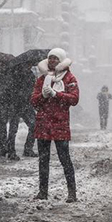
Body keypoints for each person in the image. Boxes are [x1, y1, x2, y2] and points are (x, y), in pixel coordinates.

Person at [32, 48, 80, 203]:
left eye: (55, 59)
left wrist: (56, 94)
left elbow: (74, 99)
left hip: (60, 124)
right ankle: (43, 192)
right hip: (43, 124)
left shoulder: (69, 78)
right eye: (50, 58)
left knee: (65, 159)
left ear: (61, 61)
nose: (52, 61)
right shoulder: (42, 79)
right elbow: (33, 101)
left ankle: (72, 193)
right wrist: (43, 96)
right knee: (43, 160)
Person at [5, 62, 37, 160]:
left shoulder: (30, 74)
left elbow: (33, 88)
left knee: (34, 126)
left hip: (26, 104)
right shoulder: (14, 74)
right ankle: (11, 151)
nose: (29, 66)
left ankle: (28, 149)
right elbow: (9, 89)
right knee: (13, 129)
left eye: (30, 65)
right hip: (16, 104)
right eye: (27, 64)